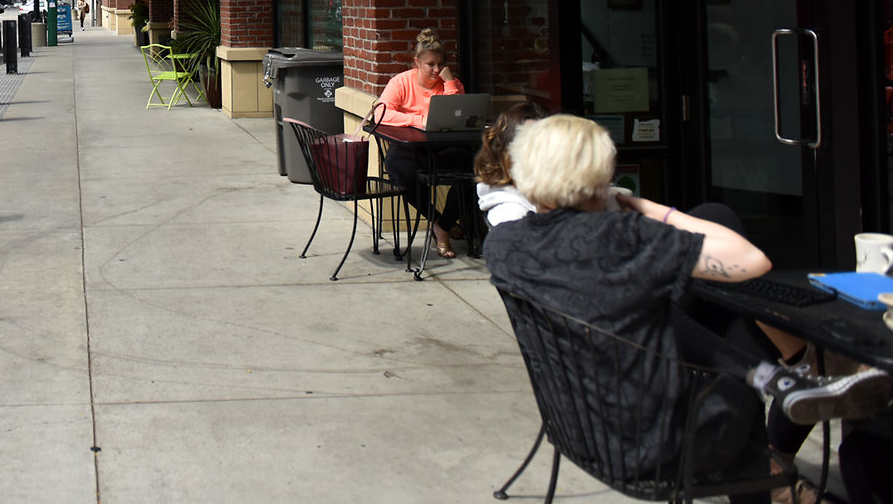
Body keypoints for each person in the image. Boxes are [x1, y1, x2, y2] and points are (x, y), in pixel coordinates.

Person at [486, 113, 893, 503]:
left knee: (711, 314)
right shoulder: (623, 237)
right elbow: (751, 260)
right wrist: (649, 209)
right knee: (735, 387)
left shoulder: (503, 245)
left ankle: (784, 381)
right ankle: (789, 398)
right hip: (661, 444)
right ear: (599, 179)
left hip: (580, 429)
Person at [377, 28, 468, 258]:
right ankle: (437, 221)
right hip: (412, 147)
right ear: (417, 62)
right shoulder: (401, 82)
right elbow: (381, 113)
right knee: (399, 170)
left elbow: (458, 113)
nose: (437, 69)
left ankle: (445, 225)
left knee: (477, 167)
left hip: (444, 147)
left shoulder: (451, 83)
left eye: (441, 64)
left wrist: (450, 83)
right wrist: (418, 120)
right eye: (431, 64)